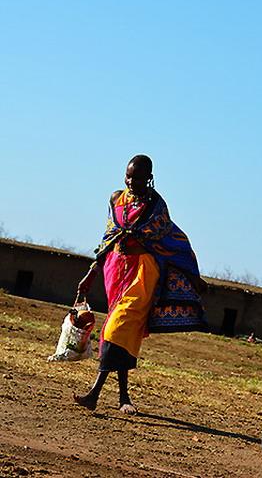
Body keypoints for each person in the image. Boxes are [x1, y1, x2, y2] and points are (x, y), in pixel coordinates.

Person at [74, 154, 207, 413]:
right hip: (116, 269)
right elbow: (108, 239)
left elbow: (169, 240)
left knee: (116, 327)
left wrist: (193, 276)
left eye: (137, 177)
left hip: (143, 273)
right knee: (127, 331)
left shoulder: (156, 206)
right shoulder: (116, 199)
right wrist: (91, 273)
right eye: (128, 176)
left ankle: (94, 393)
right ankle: (124, 397)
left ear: (150, 178)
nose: (131, 181)